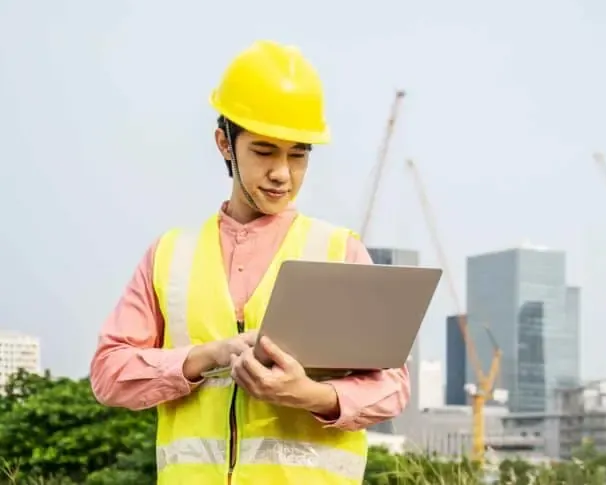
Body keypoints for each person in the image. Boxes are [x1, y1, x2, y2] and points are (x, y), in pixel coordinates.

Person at [89, 40, 411, 485]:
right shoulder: (169, 255)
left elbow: (392, 387)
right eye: (264, 151)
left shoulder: (339, 251)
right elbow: (108, 374)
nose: (283, 173)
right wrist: (205, 357)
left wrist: (311, 395)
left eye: (298, 154)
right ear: (225, 142)